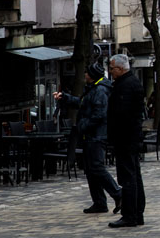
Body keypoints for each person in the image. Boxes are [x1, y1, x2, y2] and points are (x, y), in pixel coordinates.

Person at [54, 63, 122, 215]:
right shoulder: (94, 89)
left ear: (91, 76)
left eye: (86, 73)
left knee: (97, 167)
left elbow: (99, 114)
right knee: (91, 170)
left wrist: (83, 125)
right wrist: (65, 97)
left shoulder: (100, 90)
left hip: (96, 136)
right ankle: (99, 202)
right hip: (91, 135)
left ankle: (118, 194)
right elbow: (82, 103)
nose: (84, 75)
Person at [106, 54, 146, 228]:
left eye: (112, 68)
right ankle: (137, 213)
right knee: (134, 176)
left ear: (121, 69)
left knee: (128, 178)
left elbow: (122, 115)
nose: (110, 70)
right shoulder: (131, 83)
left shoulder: (125, 86)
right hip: (130, 138)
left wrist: (115, 135)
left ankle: (130, 215)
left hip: (126, 139)